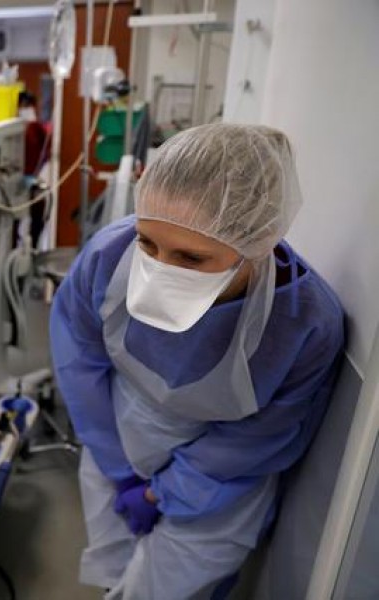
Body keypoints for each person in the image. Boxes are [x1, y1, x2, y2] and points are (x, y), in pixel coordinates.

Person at [50, 124, 344, 599]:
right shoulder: (109, 255)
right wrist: (117, 464)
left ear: (260, 240)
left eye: (191, 257)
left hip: (220, 480)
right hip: (121, 436)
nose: (161, 269)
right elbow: (78, 361)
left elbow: (260, 435)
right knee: (114, 571)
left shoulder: (304, 322)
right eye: (148, 244)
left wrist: (166, 493)